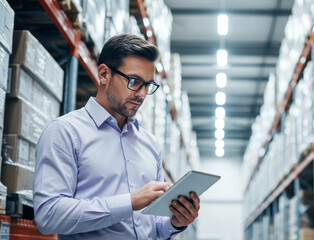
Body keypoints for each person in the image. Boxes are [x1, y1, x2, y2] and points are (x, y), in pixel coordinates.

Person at [33, 34, 200, 240]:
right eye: (134, 81)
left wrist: (175, 223)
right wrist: (129, 202)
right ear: (104, 74)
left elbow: (153, 228)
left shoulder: (150, 145)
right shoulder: (65, 132)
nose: (141, 94)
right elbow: (48, 215)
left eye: (148, 85)